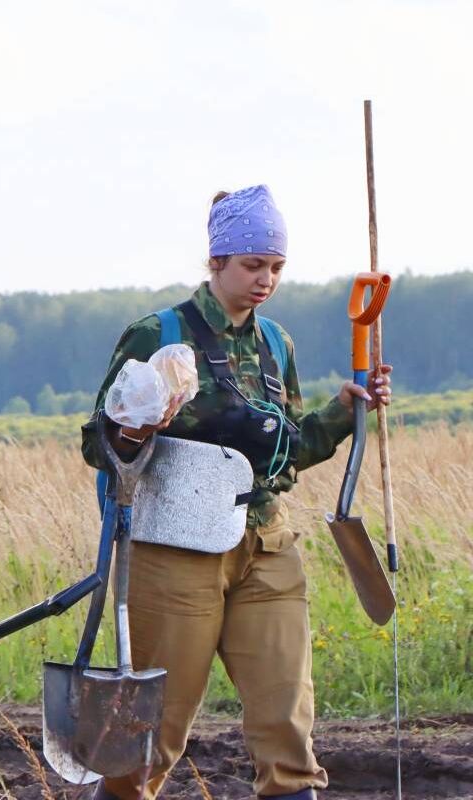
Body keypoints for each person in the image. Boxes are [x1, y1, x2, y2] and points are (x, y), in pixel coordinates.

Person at [81, 185, 393, 800]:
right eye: (253, 265)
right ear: (217, 260)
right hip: (173, 550)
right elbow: (99, 445)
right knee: (152, 738)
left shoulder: (278, 344)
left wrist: (343, 413)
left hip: (266, 544)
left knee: (287, 731)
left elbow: (287, 452)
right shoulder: (157, 334)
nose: (265, 280)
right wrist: (133, 427)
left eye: (275, 268)